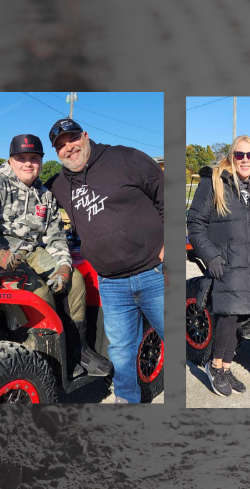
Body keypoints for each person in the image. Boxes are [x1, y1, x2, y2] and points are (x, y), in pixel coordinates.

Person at [0, 134, 113, 377]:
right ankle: (41, 360)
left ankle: (78, 350)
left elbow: (55, 235)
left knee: (75, 280)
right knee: (40, 294)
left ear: (41, 162)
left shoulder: (44, 194)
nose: (27, 164)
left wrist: (64, 266)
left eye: (33, 158)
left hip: (33, 251)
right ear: (11, 160)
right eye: (21, 158)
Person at [47, 118, 164, 404]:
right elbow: (25, 185)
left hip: (154, 272)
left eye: (72, 139)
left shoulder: (126, 158)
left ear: (85, 136)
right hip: (111, 283)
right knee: (122, 352)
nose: (68, 148)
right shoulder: (59, 184)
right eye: (60, 146)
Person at [187, 135, 250, 397]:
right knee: (228, 315)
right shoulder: (214, 182)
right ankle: (214, 365)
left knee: (241, 316)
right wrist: (211, 257)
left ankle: (227, 367)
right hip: (225, 261)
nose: (245, 160)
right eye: (239, 154)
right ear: (231, 156)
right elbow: (195, 224)